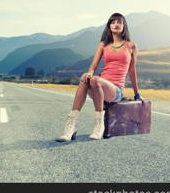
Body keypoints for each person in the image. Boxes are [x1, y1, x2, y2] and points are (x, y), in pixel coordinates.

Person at [56, 12, 144, 142]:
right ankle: (70, 127)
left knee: (95, 80)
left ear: (124, 26)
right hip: (99, 85)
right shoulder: (103, 45)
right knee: (85, 78)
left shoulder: (130, 46)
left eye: (119, 22)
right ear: (109, 26)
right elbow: (94, 64)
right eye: (113, 22)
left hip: (116, 89)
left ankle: (99, 125)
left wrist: (137, 94)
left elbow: (132, 70)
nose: (116, 24)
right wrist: (90, 72)